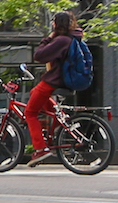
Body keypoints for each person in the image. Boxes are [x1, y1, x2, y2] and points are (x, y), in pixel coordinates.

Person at [25, 11, 81, 164]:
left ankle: (40, 149)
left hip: (54, 80)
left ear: (56, 24)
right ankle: (59, 117)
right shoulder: (73, 38)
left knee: (30, 113)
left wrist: (48, 38)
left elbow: (39, 56)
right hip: (62, 80)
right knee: (33, 92)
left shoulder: (61, 40)